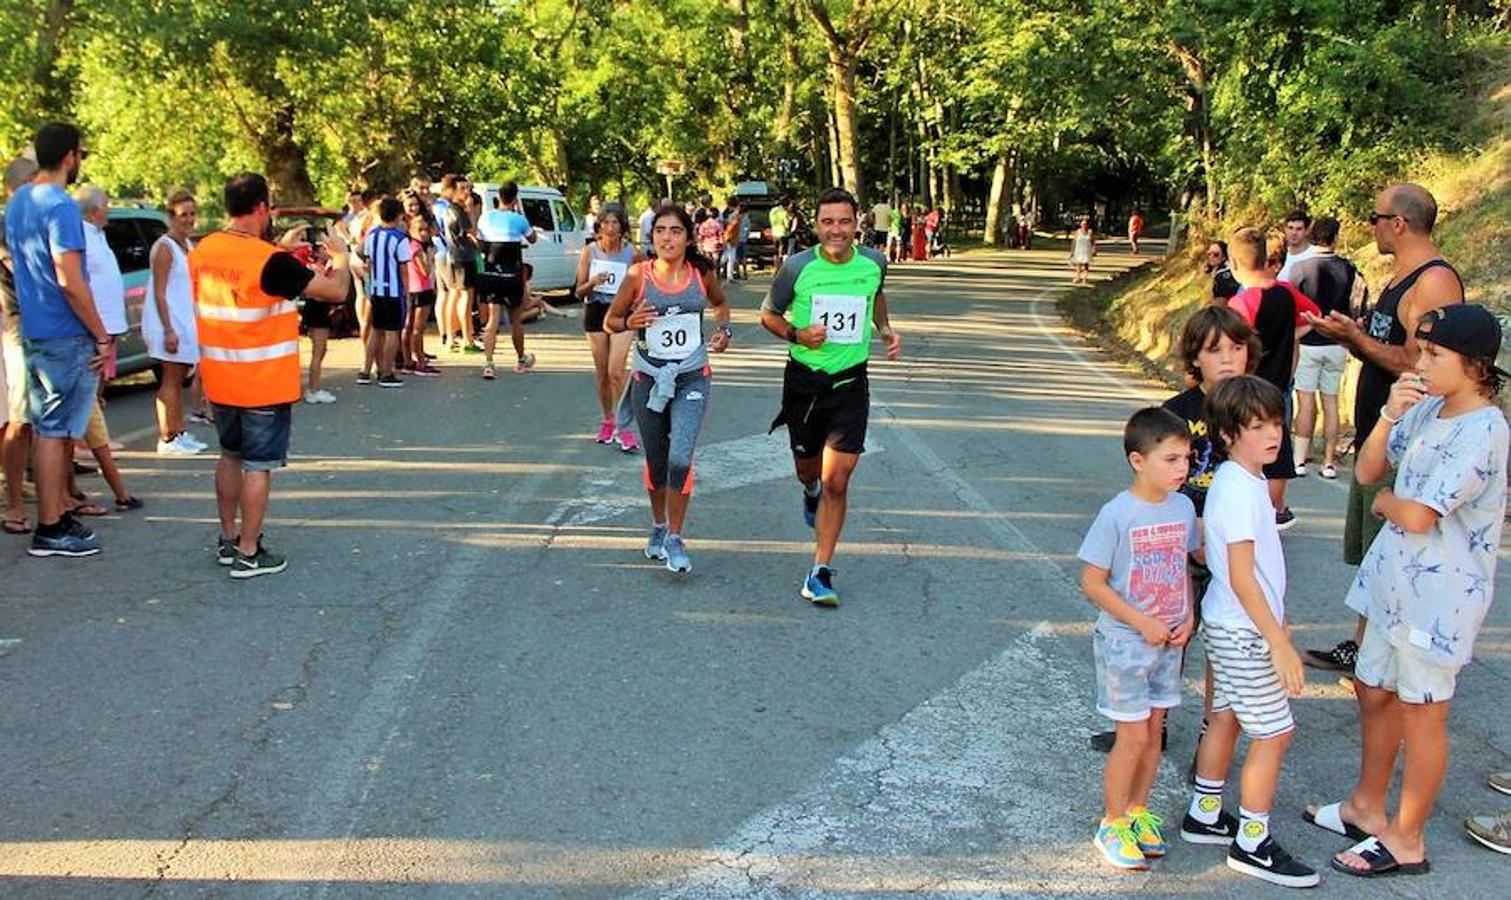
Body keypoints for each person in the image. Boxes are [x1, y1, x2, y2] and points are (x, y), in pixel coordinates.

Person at [1305, 304, 1507, 878]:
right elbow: (1368, 474)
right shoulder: (1426, 409)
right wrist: (1389, 417)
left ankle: (1408, 838)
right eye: (1421, 350)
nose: (1420, 362)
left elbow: (1415, 514)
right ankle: (1366, 807)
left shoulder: (1486, 430)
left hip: (1440, 600)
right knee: (1373, 689)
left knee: (1423, 713)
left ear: (1475, 365)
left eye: (1434, 355)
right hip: (1392, 581)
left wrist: (1392, 506)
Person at [1300, 183, 1463, 674]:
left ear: (1400, 223)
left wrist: (1354, 336)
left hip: (1406, 442)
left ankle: (1390, 653)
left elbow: (1419, 364)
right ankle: (1365, 644)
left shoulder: (1433, 282)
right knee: (1373, 551)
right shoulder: (1401, 277)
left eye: (1375, 217)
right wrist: (1350, 336)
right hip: (1380, 432)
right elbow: (1385, 348)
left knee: (1392, 549)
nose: (1369, 225)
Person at [1091, 307, 1260, 756]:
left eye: (1237, 348)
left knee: (1222, 647)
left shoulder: (1259, 408)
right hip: (1180, 544)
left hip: (1234, 549)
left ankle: (1213, 731)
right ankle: (1148, 721)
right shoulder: (1176, 413)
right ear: (1194, 358)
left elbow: (1273, 485)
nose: (1227, 358)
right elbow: (1152, 478)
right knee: (1169, 631)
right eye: (1214, 350)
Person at [1180, 374, 1318, 889]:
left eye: (1277, 422)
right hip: (1242, 629)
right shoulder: (1238, 488)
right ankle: (1252, 842)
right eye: (1257, 426)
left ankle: (1205, 813)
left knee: (1227, 717)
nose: (1273, 434)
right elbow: (1240, 576)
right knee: (1275, 733)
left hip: (1234, 622)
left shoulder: (1246, 479)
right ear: (1227, 434)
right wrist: (1279, 643)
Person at [189, 172, 352, 577]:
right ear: (262, 207)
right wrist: (343, 257)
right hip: (261, 380)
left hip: (221, 374)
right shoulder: (269, 261)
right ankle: (249, 550)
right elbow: (336, 292)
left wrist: (280, 249)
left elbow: (240, 285)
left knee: (229, 456)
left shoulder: (204, 250)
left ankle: (229, 540)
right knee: (257, 466)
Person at [760, 187, 902, 606]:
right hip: (805, 382)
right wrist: (796, 334)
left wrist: (886, 329)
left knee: (836, 479)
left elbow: (875, 297)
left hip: (850, 384)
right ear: (816, 225)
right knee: (809, 473)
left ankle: (819, 571)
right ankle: (809, 494)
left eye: (844, 221)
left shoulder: (875, 262)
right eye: (827, 222)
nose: (836, 230)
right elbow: (767, 314)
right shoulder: (797, 267)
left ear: (857, 223)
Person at [1078, 407, 1197, 870]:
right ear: (1137, 460)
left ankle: (1138, 811)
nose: (1182, 468)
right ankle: (1112, 821)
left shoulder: (1183, 507)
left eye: (1186, 458)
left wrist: (1185, 616)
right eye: (1170, 459)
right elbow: (1093, 581)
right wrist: (1141, 622)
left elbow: (1183, 567)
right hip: (1127, 643)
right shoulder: (1117, 514)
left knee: (1153, 735)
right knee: (1130, 737)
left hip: (1168, 641)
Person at [604, 204, 731, 574]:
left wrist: (725, 331)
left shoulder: (701, 273)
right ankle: (659, 525)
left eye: (675, 231)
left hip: (692, 376)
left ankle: (676, 536)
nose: (667, 237)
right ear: (652, 236)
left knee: (680, 457)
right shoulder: (637, 276)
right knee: (657, 463)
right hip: (648, 379)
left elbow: (721, 305)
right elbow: (610, 321)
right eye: (660, 230)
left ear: (688, 237)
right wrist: (629, 320)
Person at [4, 123, 112, 558]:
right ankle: (50, 526)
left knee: (55, 427)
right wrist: (101, 334)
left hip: (34, 328)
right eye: (81, 153)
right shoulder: (61, 206)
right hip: (64, 331)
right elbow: (69, 279)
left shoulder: (18, 202)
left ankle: (57, 513)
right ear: (70, 156)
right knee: (55, 430)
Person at [1225, 227, 1320, 530]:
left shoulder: (1241, 304)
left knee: (1242, 448)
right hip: (1279, 386)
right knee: (1277, 446)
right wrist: (1292, 334)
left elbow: (1233, 350)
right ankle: (1275, 507)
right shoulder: (1285, 291)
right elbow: (1314, 315)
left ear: (1233, 264)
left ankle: (1250, 511)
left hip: (1248, 389)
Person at [74, 186, 141, 511]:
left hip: (105, 331)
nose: (109, 212)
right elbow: (77, 286)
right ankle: (119, 491)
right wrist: (98, 332)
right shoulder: (80, 237)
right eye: (106, 206)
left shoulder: (97, 235)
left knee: (94, 399)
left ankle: (75, 481)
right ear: (94, 210)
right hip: (91, 332)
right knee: (87, 406)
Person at [1288, 216, 1361, 480]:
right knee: (1331, 401)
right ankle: (1329, 462)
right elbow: (1356, 302)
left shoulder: (1300, 268)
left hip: (1308, 341)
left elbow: (1291, 305)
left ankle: (1299, 459)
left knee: (1305, 400)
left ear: (1310, 235)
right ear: (1335, 237)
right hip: (1337, 341)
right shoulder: (1348, 268)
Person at [575, 202, 641, 449]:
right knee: (603, 374)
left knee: (616, 370)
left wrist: (636, 303)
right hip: (595, 311)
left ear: (622, 226)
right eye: (606, 223)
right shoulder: (589, 252)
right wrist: (592, 282)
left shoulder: (632, 253)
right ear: (598, 226)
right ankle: (608, 419)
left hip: (621, 312)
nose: (610, 228)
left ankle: (625, 426)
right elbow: (578, 291)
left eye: (615, 223)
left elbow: (643, 282)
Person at [145, 190, 206, 455]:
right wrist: (168, 329)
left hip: (184, 321)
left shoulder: (188, 245)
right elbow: (159, 291)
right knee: (170, 378)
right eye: (183, 215)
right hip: (167, 323)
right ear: (171, 216)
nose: (189, 220)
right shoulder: (164, 248)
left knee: (179, 377)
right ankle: (167, 437)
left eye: (192, 214)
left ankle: (179, 431)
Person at [1, 155, 38, 537]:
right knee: (21, 418)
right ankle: (12, 503)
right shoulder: (7, 221)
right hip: (20, 327)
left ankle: (61, 497)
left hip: (46, 327)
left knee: (50, 424)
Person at [476, 181, 538, 379]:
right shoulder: (518, 219)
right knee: (516, 320)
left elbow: (481, 242)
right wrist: (520, 212)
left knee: (492, 321)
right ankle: (520, 359)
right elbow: (533, 238)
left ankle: (489, 363)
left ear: (498, 197)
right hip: (512, 274)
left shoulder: (485, 217)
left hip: (492, 273)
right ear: (515, 199)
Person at [358, 197, 410, 388]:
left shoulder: (372, 235)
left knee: (375, 330)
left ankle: (366, 370)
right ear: (398, 215)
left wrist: (370, 286)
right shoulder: (399, 239)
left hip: (377, 289)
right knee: (392, 332)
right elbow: (403, 268)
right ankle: (387, 373)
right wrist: (407, 292)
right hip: (394, 291)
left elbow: (369, 263)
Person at [402, 215, 439, 377]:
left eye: (426, 230)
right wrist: (430, 258)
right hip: (420, 289)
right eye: (420, 230)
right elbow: (425, 271)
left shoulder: (409, 246)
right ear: (411, 230)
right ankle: (420, 361)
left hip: (412, 288)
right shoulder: (416, 248)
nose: (424, 233)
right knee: (417, 328)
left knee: (409, 327)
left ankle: (408, 360)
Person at [1275, 209, 1317, 282]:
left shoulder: (1315, 255)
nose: (1294, 233)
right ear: (1285, 229)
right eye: (1290, 228)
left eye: (1299, 229)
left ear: (1307, 231)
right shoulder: (1279, 255)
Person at [721, 199, 744, 281]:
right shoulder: (735, 215)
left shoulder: (733, 214)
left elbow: (730, 226)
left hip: (731, 237)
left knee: (728, 258)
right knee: (729, 258)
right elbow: (731, 227)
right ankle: (729, 276)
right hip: (731, 238)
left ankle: (729, 276)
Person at [1069, 217, 1096, 285]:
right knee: (1078, 264)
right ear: (1081, 225)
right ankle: (1078, 277)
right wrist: (1072, 251)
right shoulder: (1078, 232)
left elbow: (1093, 242)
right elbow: (1074, 241)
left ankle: (1085, 278)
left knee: (1086, 265)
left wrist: (1094, 250)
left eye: (1085, 224)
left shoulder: (1090, 232)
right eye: (1083, 224)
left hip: (1087, 250)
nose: (1084, 226)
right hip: (1079, 250)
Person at [769, 196, 791, 270]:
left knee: (775, 252)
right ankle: (782, 268)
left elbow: (771, 221)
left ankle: (776, 268)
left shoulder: (773, 210)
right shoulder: (784, 212)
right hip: (783, 234)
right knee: (782, 252)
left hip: (774, 233)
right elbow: (787, 225)